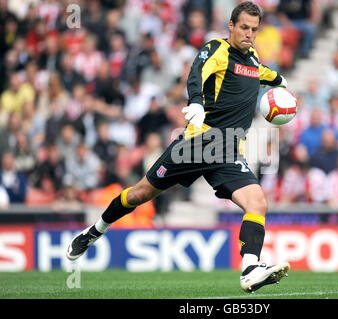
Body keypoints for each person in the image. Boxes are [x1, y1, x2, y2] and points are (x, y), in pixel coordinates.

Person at [66, 2, 290, 293]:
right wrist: (195, 101)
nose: (249, 34)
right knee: (140, 193)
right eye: (244, 27)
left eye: (254, 29)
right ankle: (95, 231)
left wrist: (282, 83)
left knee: (258, 202)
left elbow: (265, 74)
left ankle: (249, 269)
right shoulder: (218, 49)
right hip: (199, 143)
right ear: (231, 26)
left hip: (228, 151)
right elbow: (197, 71)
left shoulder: (253, 60)